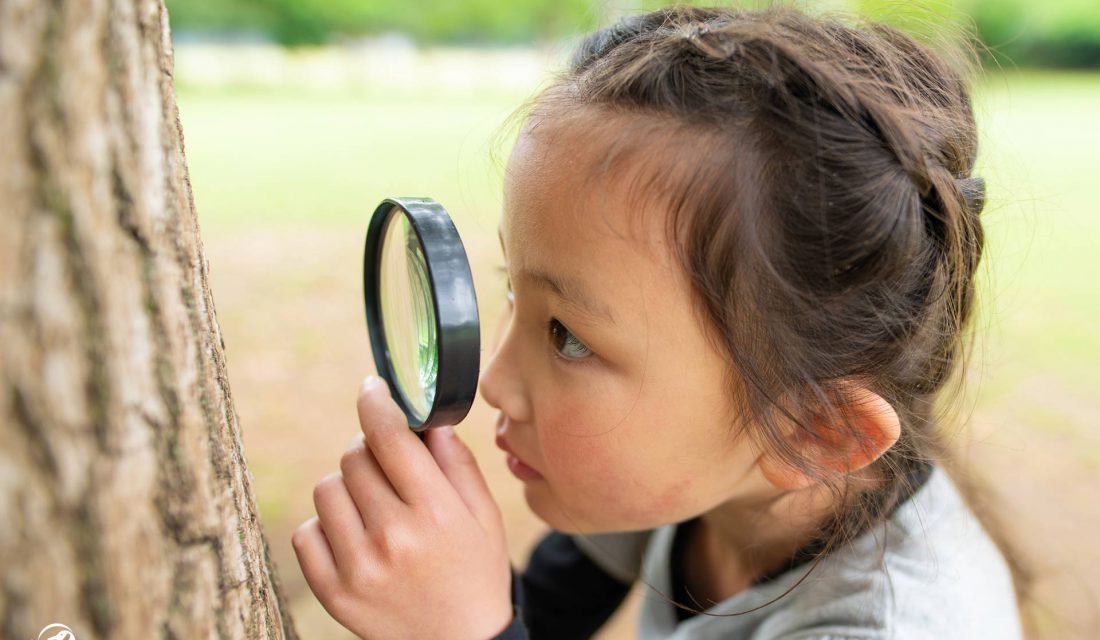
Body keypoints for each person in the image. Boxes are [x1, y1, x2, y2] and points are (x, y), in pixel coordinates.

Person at [292, 6, 1027, 639]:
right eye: (515, 295)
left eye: (569, 337)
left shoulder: (897, 625)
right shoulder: (693, 477)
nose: (495, 383)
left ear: (814, 431)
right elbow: (553, 606)